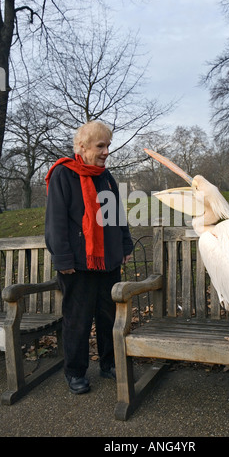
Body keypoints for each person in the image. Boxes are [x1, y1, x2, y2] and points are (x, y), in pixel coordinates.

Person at [45, 121, 133, 394]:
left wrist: (125, 246)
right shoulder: (63, 174)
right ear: (82, 147)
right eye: (100, 146)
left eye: (108, 145)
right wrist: (63, 259)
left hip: (107, 261)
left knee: (108, 317)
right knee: (77, 320)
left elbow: (117, 215)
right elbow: (56, 221)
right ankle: (75, 372)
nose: (106, 151)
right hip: (77, 265)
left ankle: (109, 364)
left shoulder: (106, 177)